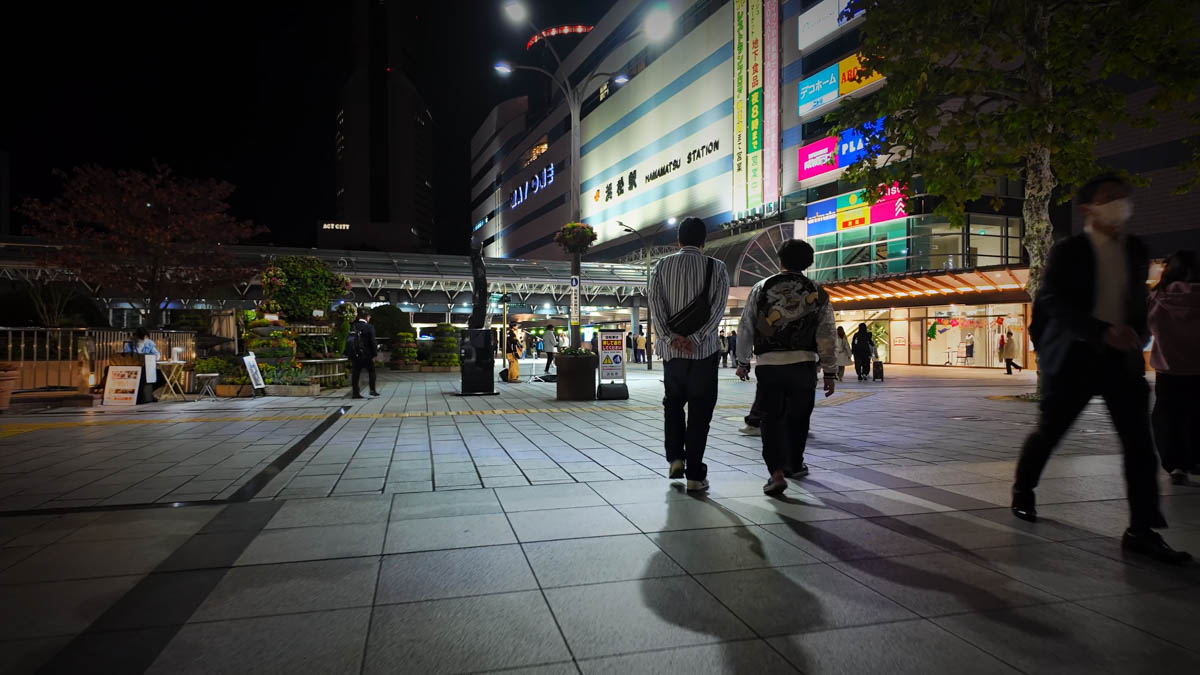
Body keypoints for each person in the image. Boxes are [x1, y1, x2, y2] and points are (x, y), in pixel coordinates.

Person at [1012, 174, 1189, 564]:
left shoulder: (1136, 250)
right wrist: (1097, 332)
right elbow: (1053, 303)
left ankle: (1142, 529)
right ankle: (1024, 489)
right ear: (1087, 209)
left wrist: (1137, 335)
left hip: (1120, 361)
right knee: (1050, 432)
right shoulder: (1068, 251)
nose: (1120, 204)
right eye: (1110, 198)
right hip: (1076, 357)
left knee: (1140, 446)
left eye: (1124, 198)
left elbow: (1137, 301)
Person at [736, 239, 836, 495]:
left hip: (769, 365)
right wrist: (829, 370)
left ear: (780, 260)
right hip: (803, 364)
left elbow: (746, 324)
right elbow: (826, 332)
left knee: (771, 418)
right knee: (799, 417)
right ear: (808, 263)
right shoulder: (816, 291)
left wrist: (743, 361)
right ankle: (794, 463)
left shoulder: (762, 287)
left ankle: (776, 472)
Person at [648, 216, 730, 491]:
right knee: (699, 412)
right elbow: (718, 310)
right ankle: (695, 475)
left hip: (673, 355)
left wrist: (671, 338)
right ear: (704, 242)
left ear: (678, 241)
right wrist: (696, 338)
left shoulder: (661, 265)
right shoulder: (716, 267)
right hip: (703, 353)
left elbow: (655, 307)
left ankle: (674, 458)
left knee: (673, 404)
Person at [1149, 250, 1200, 485]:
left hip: (1168, 370)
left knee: (1168, 417)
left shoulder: (1158, 298)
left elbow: (1146, 327)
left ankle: (1175, 464)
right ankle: (1195, 460)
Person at [347, 308, 378, 399]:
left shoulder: (353, 326)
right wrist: (374, 354)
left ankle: (355, 393)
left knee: (356, 373)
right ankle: (372, 390)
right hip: (367, 354)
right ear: (367, 317)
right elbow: (373, 341)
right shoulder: (369, 327)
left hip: (355, 353)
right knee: (371, 371)